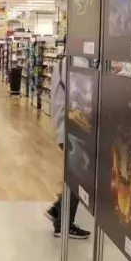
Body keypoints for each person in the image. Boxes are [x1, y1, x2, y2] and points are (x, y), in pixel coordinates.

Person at [46, 53, 91, 239]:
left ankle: (57, 210)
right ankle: (64, 223)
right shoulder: (75, 62)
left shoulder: (72, 60)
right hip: (73, 128)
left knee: (77, 173)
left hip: (72, 127)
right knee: (79, 174)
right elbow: (83, 96)